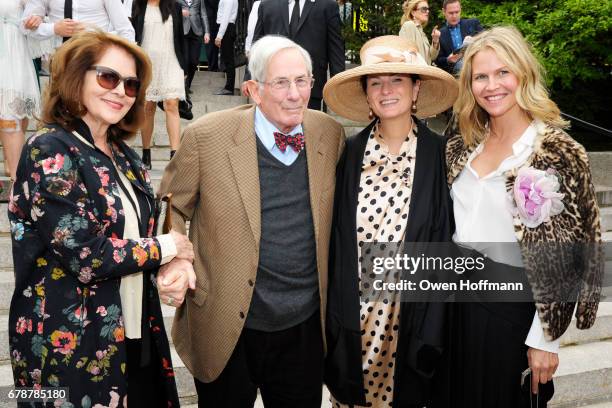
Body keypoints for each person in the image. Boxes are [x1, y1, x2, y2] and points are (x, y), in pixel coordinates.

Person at [8, 30, 195, 407]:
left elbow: (139, 236)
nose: (120, 92)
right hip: (67, 344)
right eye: (108, 77)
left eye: (131, 84)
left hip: (134, 333)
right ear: (76, 77)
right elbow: (86, 255)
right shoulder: (48, 149)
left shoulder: (125, 157)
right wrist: (168, 247)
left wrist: (175, 261)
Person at [158, 35, 345, 407]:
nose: (295, 94)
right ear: (253, 90)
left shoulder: (330, 133)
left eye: (303, 80)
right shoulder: (205, 138)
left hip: (304, 326)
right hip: (226, 322)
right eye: (281, 82)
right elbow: (171, 206)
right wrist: (177, 255)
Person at [446, 26, 602, 407]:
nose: (491, 85)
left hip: (513, 312)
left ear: (524, 74)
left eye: (503, 72)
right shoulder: (460, 143)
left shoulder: (559, 151)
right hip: (453, 307)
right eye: (480, 76)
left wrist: (544, 339)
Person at [322, 35, 458, 408]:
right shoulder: (348, 154)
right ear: (366, 94)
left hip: (413, 320)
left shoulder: (441, 155)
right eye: (376, 82)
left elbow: (448, 244)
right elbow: (335, 244)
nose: (386, 90)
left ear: (416, 89)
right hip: (356, 320)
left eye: (397, 79)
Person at [253, 0, 345, 110]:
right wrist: (250, 78)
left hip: (312, 86)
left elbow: (335, 47)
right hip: (274, 85)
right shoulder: (267, 5)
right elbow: (257, 46)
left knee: (309, 125)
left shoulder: (327, 5)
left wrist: (339, 85)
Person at [132, 0, 186, 167]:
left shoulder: (174, 6)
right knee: (148, 106)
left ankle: (174, 156)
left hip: (171, 61)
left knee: (172, 104)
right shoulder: (138, 5)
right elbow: (133, 35)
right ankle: (146, 153)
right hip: (147, 62)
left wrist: (185, 66)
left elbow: (180, 38)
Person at [0, 0, 42, 180]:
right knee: (8, 113)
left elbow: (38, 8)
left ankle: (14, 166)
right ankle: (13, 162)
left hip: (13, 49)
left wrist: (37, 18)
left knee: (15, 109)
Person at [23, 0, 134, 47]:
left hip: (97, 57)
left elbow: (125, 29)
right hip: (61, 60)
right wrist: (54, 29)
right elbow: (24, 27)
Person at [434, 0, 482, 74]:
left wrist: (474, 41)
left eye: (457, 12)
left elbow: (486, 41)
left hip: (477, 68)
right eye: (451, 13)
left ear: (461, 9)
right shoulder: (440, 34)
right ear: (444, 11)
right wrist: (448, 60)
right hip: (454, 75)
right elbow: (437, 60)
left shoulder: (473, 24)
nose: (454, 16)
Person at [178, 0, 211, 96]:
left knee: (194, 61)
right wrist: (180, 12)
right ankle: (184, 86)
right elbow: (170, 11)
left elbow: (203, 15)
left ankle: (187, 84)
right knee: (185, 61)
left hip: (197, 32)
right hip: (183, 32)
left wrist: (207, 32)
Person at [399, 0, 440, 65]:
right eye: (424, 9)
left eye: (428, 9)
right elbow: (409, 56)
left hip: (423, 72)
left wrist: (435, 40)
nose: (427, 11)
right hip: (415, 72)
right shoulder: (409, 25)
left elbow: (432, 57)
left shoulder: (421, 32)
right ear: (413, 12)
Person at [213, 0, 237, 95]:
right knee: (227, 59)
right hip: (226, 28)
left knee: (228, 59)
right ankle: (228, 87)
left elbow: (226, 17)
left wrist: (219, 36)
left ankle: (229, 88)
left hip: (227, 28)